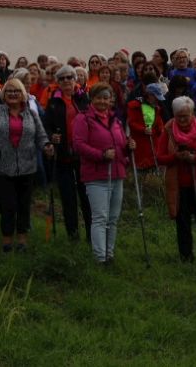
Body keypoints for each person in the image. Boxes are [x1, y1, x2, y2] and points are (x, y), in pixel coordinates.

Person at [0, 77, 51, 253]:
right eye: (9, 91)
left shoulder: (31, 114)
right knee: (7, 206)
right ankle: (7, 240)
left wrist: (47, 146)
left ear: (22, 94)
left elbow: (41, 136)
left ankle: (22, 240)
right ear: (4, 94)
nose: (12, 94)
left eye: (16, 91)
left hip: (27, 167)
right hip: (1, 167)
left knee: (24, 205)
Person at [154, 95, 196, 262]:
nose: (182, 119)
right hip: (179, 185)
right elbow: (160, 157)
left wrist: (195, 158)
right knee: (182, 222)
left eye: (186, 115)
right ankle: (186, 256)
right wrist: (175, 157)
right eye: (179, 116)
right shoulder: (168, 130)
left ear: (192, 114)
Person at [71, 82, 128, 265]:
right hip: (96, 176)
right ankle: (100, 257)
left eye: (106, 98)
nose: (103, 101)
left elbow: (121, 144)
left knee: (113, 218)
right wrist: (101, 155)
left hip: (117, 174)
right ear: (92, 99)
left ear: (111, 100)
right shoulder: (83, 119)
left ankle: (109, 254)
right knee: (100, 217)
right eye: (99, 98)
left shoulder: (115, 120)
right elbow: (78, 145)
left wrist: (128, 147)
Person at [42, 65, 90, 241]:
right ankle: (73, 235)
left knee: (86, 197)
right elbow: (46, 126)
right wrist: (51, 137)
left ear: (75, 79)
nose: (66, 81)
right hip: (63, 156)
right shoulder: (53, 102)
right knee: (68, 197)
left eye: (69, 77)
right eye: (62, 78)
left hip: (83, 156)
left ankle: (92, 235)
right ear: (58, 82)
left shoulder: (83, 98)